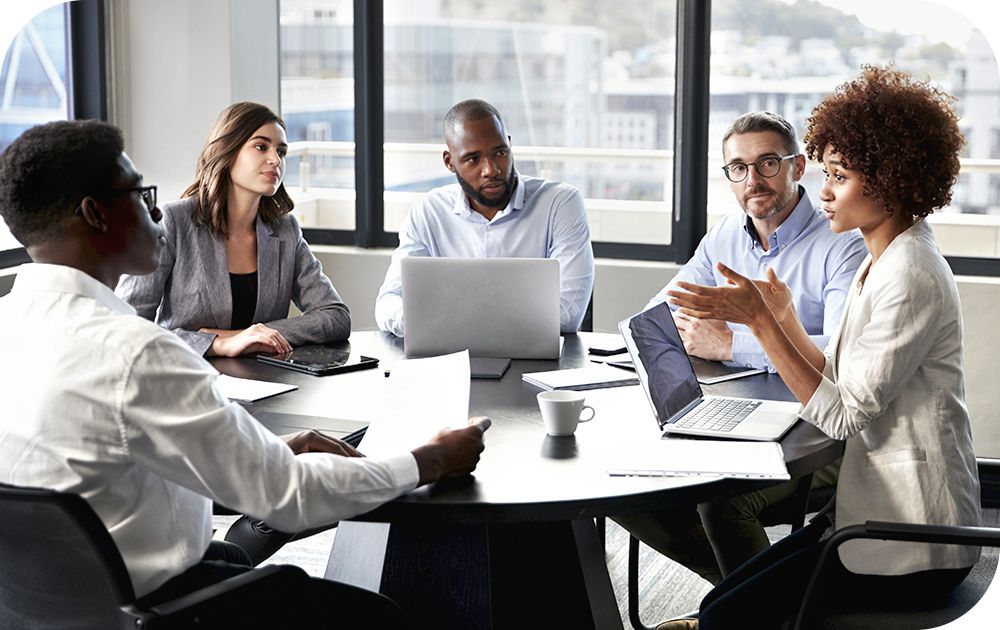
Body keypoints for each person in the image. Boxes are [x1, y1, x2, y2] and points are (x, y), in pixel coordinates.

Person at [0, 119, 490, 625]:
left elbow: (110, 457)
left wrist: (266, 452)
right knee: (386, 616)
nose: (154, 210)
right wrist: (426, 461)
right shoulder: (138, 352)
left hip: (62, 604)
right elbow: (289, 500)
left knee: (242, 557)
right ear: (94, 214)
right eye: (139, 193)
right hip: (167, 606)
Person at [658, 66, 981, 630]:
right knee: (721, 605)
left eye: (839, 176)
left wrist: (761, 326)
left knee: (723, 617)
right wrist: (782, 321)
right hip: (867, 513)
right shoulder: (885, 255)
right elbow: (840, 371)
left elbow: (842, 417)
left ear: (891, 180)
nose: (824, 192)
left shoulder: (909, 274)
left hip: (912, 540)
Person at [616, 111, 866, 585]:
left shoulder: (842, 245)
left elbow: (839, 352)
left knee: (724, 500)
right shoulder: (725, 236)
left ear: (798, 165)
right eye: (738, 168)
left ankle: (753, 603)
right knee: (625, 486)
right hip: (740, 413)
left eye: (768, 163)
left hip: (824, 436)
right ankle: (747, 597)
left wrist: (733, 344)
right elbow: (661, 313)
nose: (753, 179)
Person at [116, 102, 350, 358]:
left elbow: (335, 317)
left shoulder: (286, 231)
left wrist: (253, 334)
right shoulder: (173, 221)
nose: (275, 160)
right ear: (227, 151)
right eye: (261, 147)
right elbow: (127, 327)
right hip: (187, 379)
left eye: (281, 152)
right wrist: (216, 343)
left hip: (267, 385)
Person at [374, 98, 595, 336]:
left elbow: (568, 314)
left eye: (500, 152)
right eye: (473, 159)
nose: (491, 170)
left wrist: (441, 321)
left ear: (509, 145)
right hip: (451, 361)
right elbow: (388, 302)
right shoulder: (428, 212)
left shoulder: (560, 203)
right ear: (450, 162)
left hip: (537, 366)